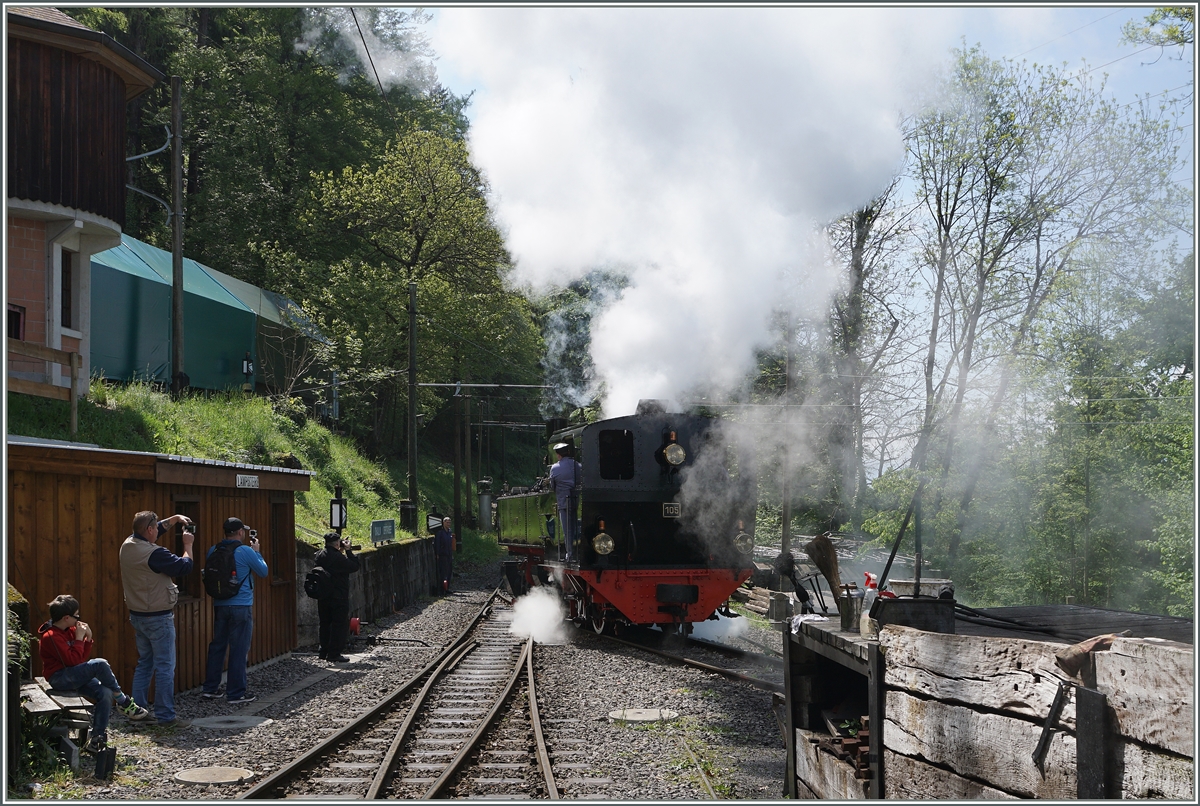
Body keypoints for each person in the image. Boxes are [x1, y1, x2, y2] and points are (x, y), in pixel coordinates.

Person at [38, 594, 151, 752]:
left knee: (105, 692)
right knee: (100, 664)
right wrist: (79, 638)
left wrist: (87, 639)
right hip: (59, 678)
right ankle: (123, 701)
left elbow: (80, 661)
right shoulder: (50, 637)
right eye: (76, 615)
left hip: (74, 674)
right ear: (66, 618)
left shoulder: (70, 630)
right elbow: (73, 662)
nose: (78, 619)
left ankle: (97, 737)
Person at [119, 510, 194, 727]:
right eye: (155, 528)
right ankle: (166, 716)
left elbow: (153, 529)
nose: (157, 531)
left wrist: (175, 519)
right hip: (158, 618)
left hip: (138, 616)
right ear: (149, 530)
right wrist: (188, 545)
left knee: (145, 664)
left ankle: (138, 714)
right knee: (165, 667)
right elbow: (184, 566)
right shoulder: (155, 553)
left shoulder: (128, 544)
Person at [201, 517, 268, 704]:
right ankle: (236, 693)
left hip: (220, 604)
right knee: (239, 649)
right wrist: (258, 552)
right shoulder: (245, 551)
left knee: (217, 646)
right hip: (241, 605)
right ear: (240, 532)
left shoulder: (213, 550)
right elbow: (263, 571)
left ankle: (210, 689)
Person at [314, 532, 360, 663]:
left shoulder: (319, 556)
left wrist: (339, 550)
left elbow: (329, 558)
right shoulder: (339, 558)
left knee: (324, 623)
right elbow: (354, 566)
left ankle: (323, 651)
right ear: (337, 543)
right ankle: (334, 653)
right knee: (338, 625)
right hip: (338, 596)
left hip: (323, 595)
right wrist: (349, 551)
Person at [549, 443, 582, 562]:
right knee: (574, 526)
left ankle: (569, 554)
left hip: (563, 502)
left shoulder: (555, 468)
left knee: (567, 528)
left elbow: (552, 486)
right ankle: (577, 550)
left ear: (558, 455)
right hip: (576, 500)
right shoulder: (578, 466)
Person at [433, 517, 455, 594]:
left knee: (449, 571)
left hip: (448, 554)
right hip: (442, 554)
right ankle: (442, 589)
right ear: (443, 522)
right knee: (443, 572)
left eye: (449, 522)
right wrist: (437, 554)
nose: (448, 524)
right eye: (447, 522)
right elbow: (437, 544)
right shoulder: (440, 533)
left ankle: (447, 588)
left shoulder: (449, 532)